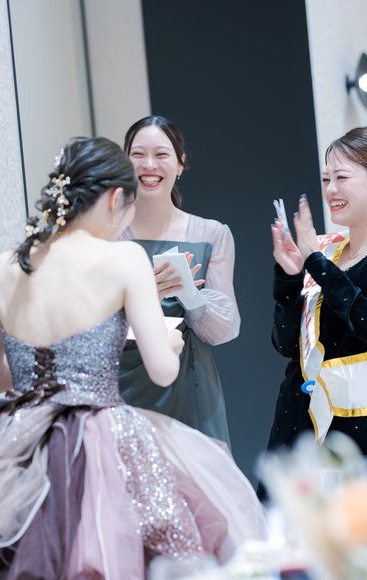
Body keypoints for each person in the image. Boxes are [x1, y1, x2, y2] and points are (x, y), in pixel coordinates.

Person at [0, 137, 264, 579]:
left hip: (15, 440)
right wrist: (170, 344)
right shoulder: (125, 258)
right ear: (115, 199)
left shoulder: (7, 265)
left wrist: (42, 367)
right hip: (101, 437)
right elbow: (161, 371)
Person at [265, 126, 367, 471]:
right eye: (326, 179)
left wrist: (316, 263)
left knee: (350, 507)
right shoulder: (330, 249)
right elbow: (285, 344)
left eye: (341, 177)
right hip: (294, 417)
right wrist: (290, 276)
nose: (330, 189)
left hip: (352, 425)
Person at [119, 115, 239, 446]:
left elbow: (225, 329)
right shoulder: (108, 234)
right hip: (121, 384)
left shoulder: (211, 233)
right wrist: (141, 295)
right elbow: (88, 322)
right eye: (138, 154)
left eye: (161, 154)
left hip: (190, 382)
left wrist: (189, 293)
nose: (149, 165)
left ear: (181, 164)